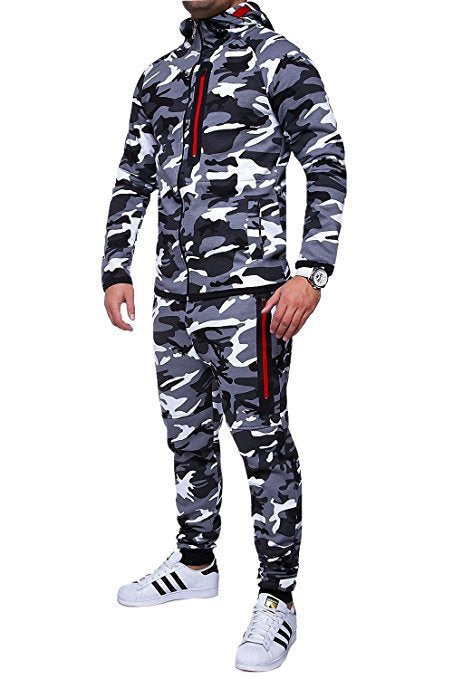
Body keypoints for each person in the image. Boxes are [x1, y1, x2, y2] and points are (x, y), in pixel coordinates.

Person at [102, 0, 346, 671]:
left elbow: (325, 161)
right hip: (173, 297)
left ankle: (276, 597)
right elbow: (133, 174)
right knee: (186, 436)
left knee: (262, 444)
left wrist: (311, 272)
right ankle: (195, 563)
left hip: (252, 298)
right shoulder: (161, 73)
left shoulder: (277, 59)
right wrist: (116, 265)